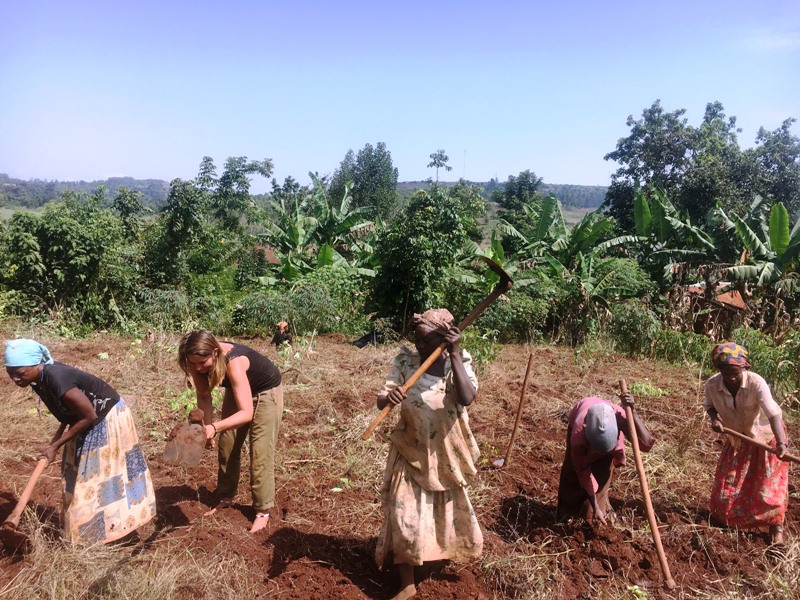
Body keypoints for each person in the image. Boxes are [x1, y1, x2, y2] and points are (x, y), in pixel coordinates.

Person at [374, 309, 482, 600]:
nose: (420, 347)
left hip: (445, 451)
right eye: (417, 341)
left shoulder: (457, 364)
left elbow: (466, 397)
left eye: (426, 342)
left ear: (444, 338)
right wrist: (389, 397)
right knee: (403, 513)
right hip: (409, 449)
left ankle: (438, 554)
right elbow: (381, 399)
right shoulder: (406, 362)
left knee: (444, 510)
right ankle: (407, 583)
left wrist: (455, 354)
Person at [4, 338, 156, 544]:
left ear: (35, 364)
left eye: (19, 373)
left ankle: (107, 536)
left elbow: (89, 415)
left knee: (96, 479)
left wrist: (55, 446)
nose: (14, 378)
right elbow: (72, 411)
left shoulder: (56, 377)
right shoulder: (38, 379)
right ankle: (92, 535)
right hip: (86, 419)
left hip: (107, 418)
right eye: (10, 372)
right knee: (74, 472)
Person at [177, 330, 283, 533]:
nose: (198, 368)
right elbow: (204, 396)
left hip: (266, 391)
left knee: (259, 453)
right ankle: (225, 496)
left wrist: (214, 427)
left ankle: (262, 510)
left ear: (215, 353)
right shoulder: (195, 361)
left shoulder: (234, 361)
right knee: (227, 445)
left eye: (203, 363)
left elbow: (246, 413)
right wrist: (205, 430)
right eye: (193, 364)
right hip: (239, 388)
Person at [703, 342, 789, 545]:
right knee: (727, 488)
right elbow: (709, 406)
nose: (732, 377)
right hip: (738, 440)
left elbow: (774, 414)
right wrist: (715, 419)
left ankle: (776, 529)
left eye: (736, 372)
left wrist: (782, 444)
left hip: (767, 438)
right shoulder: (712, 385)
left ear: (744, 367)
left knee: (768, 490)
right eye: (726, 373)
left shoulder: (756, 383)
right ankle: (732, 522)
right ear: (719, 370)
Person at [557, 392, 654, 524]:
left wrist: (633, 411)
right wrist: (595, 505)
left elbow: (645, 444)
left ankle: (594, 514)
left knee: (602, 477)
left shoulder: (620, 416)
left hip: (612, 429)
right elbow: (583, 472)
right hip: (582, 418)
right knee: (572, 474)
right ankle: (566, 515)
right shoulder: (578, 435)